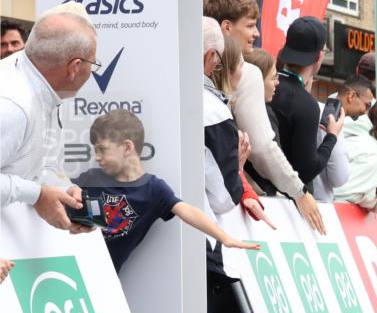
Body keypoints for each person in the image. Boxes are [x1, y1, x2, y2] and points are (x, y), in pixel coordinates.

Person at [205, 0, 329, 235]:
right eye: (250, 25)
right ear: (227, 27)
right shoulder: (249, 73)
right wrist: (299, 192)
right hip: (228, 204)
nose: (256, 33)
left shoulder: (189, 63)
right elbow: (262, 146)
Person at [73, 110, 258, 271]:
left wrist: (224, 237)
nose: (97, 157)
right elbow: (59, 187)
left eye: (102, 149)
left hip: (105, 279)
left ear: (127, 147)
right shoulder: (91, 179)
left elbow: (187, 210)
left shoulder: (152, 190)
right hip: (71, 266)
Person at [1, 11, 97, 231]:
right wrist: (37, 195)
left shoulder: (46, 95)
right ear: (74, 67)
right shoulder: (12, 105)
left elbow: (37, 168)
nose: (92, 71)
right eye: (93, 63)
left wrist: (64, 190)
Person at [271, 16, 345, 187]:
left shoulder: (262, 84)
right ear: (319, 56)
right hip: (282, 201)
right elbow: (306, 171)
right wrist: (332, 136)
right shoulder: (307, 105)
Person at [331, 79, 377, 209]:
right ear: (351, 96)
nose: (365, 112)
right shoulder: (373, 153)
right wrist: (374, 195)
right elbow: (342, 194)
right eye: (367, 105)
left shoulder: (339, 127)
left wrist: (375, 186)